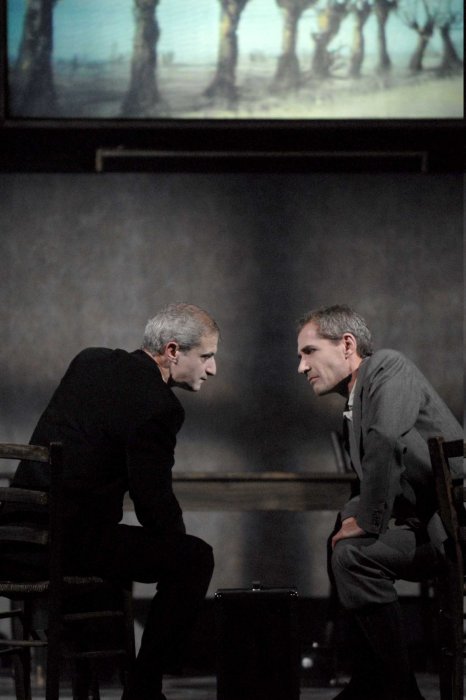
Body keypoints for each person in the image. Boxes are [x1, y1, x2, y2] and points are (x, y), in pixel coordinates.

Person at [8, 302, 219, 700]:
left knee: (137, 546)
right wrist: (175, 543)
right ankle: (143, 690)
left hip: (14, 538)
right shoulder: (159, 406)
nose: (212, 369)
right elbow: (153, 502)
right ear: (173, 351)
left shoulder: (88, 361)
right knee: (195, 559)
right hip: (66, 546)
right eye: (206, 356)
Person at [296, 304, 463, 700]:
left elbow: (386, 441)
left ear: (347, 345)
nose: (301, 367)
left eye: (309, 351)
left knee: (353, 554)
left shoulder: (388, 367)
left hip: (453, 526)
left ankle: (394, 688)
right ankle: (375, 681)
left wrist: (367, 521)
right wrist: (351, 517)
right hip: (425, 526)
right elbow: (373, 480)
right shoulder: (354, 407)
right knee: (344, 548)